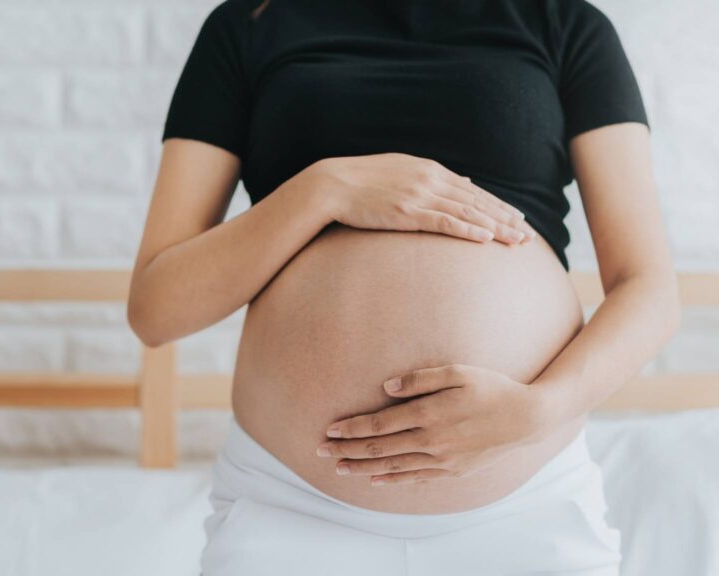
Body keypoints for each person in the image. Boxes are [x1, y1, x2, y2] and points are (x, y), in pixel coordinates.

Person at [128, 0, 680, 574]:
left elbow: (648, 288)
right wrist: (323, 189)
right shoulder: (248, 25)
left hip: (526, 507)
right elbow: (155, 308)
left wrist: (539, 412)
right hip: (291, 507)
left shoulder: (566, 24)